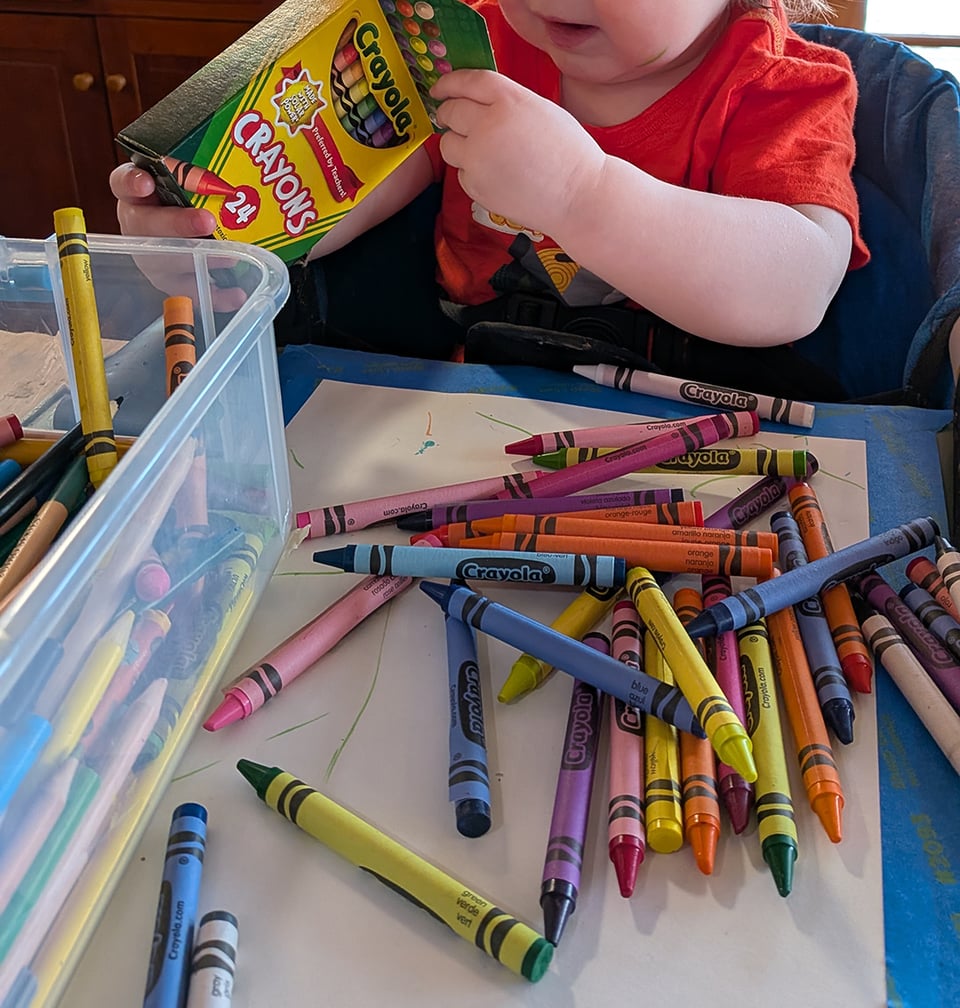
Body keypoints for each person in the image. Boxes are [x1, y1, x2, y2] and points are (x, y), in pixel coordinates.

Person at [111, 0, 869, 399]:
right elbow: (346, 193)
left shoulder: (784, 88)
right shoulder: (473, 42)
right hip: (460, 403)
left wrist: (585, 192)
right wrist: (217, 249)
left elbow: (797, 285)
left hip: (698, 440)